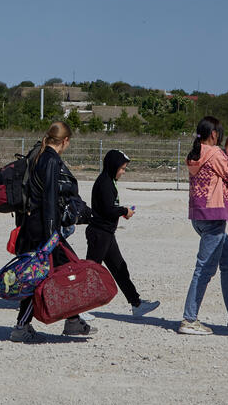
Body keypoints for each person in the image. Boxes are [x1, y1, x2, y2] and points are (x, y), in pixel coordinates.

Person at [10, 121, 93, 342]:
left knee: (64, 269)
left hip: (35, 224)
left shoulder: (40, 155)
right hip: (44, 229)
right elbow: (49, 198)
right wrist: (52, 234)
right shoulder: (51, 160)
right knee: (38, 276)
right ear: (65, 141)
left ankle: (73, 320)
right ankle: (21, 327)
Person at [179, 115, 228, 335]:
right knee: (204, 268)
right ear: (214, 134)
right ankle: (189, 319)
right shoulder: (214, 153)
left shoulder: (194, 154)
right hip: (214, 216)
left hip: (198, 215)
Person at [86, 149, 160, 318]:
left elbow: (110, 208)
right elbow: (107, 209)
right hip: (99, 234)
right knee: (90, 271)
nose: (123, 172)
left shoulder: (110, 181)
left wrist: (122, 211)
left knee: (120, 268)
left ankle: (136, 304)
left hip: (107, 234)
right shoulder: (104, 182)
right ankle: (78, 310)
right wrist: (124, 211)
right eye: (122, 168)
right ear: (113, 166)